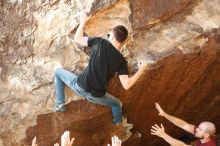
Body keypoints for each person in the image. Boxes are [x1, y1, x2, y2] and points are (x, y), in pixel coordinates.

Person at [53, 11, 148, 124]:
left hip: (80, 86)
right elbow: (126, 85)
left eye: (109, 34)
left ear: (112, 35)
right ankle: (118, 123)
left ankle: (60, 104)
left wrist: (83, 22)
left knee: (58, 72)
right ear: (122, 41)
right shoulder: (121, 61)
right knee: (117, 104)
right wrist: (141, 69)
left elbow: (77, 38)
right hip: (96, 96)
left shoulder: (100, 42)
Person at [151, 103, 216, 146]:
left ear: (206, 135)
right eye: (198, 127)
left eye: (200, 129)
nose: (197, 129)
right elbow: (183, 125)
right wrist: (165, 114)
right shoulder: (207, 135)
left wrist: (163, 135)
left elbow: (182, 145)